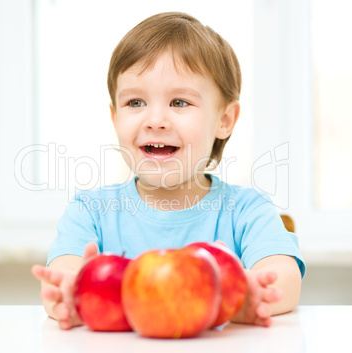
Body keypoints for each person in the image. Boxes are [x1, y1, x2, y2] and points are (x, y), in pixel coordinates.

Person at [31, 12, 305, 330]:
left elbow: (284, 278)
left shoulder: (247, 211)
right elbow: (61, 280)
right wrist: (71, 294)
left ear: (225, 120)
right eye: (135, 103)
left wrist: (245, 295)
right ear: (114, 117)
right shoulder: (91, 211)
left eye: (178, 102)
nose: (155, 119)